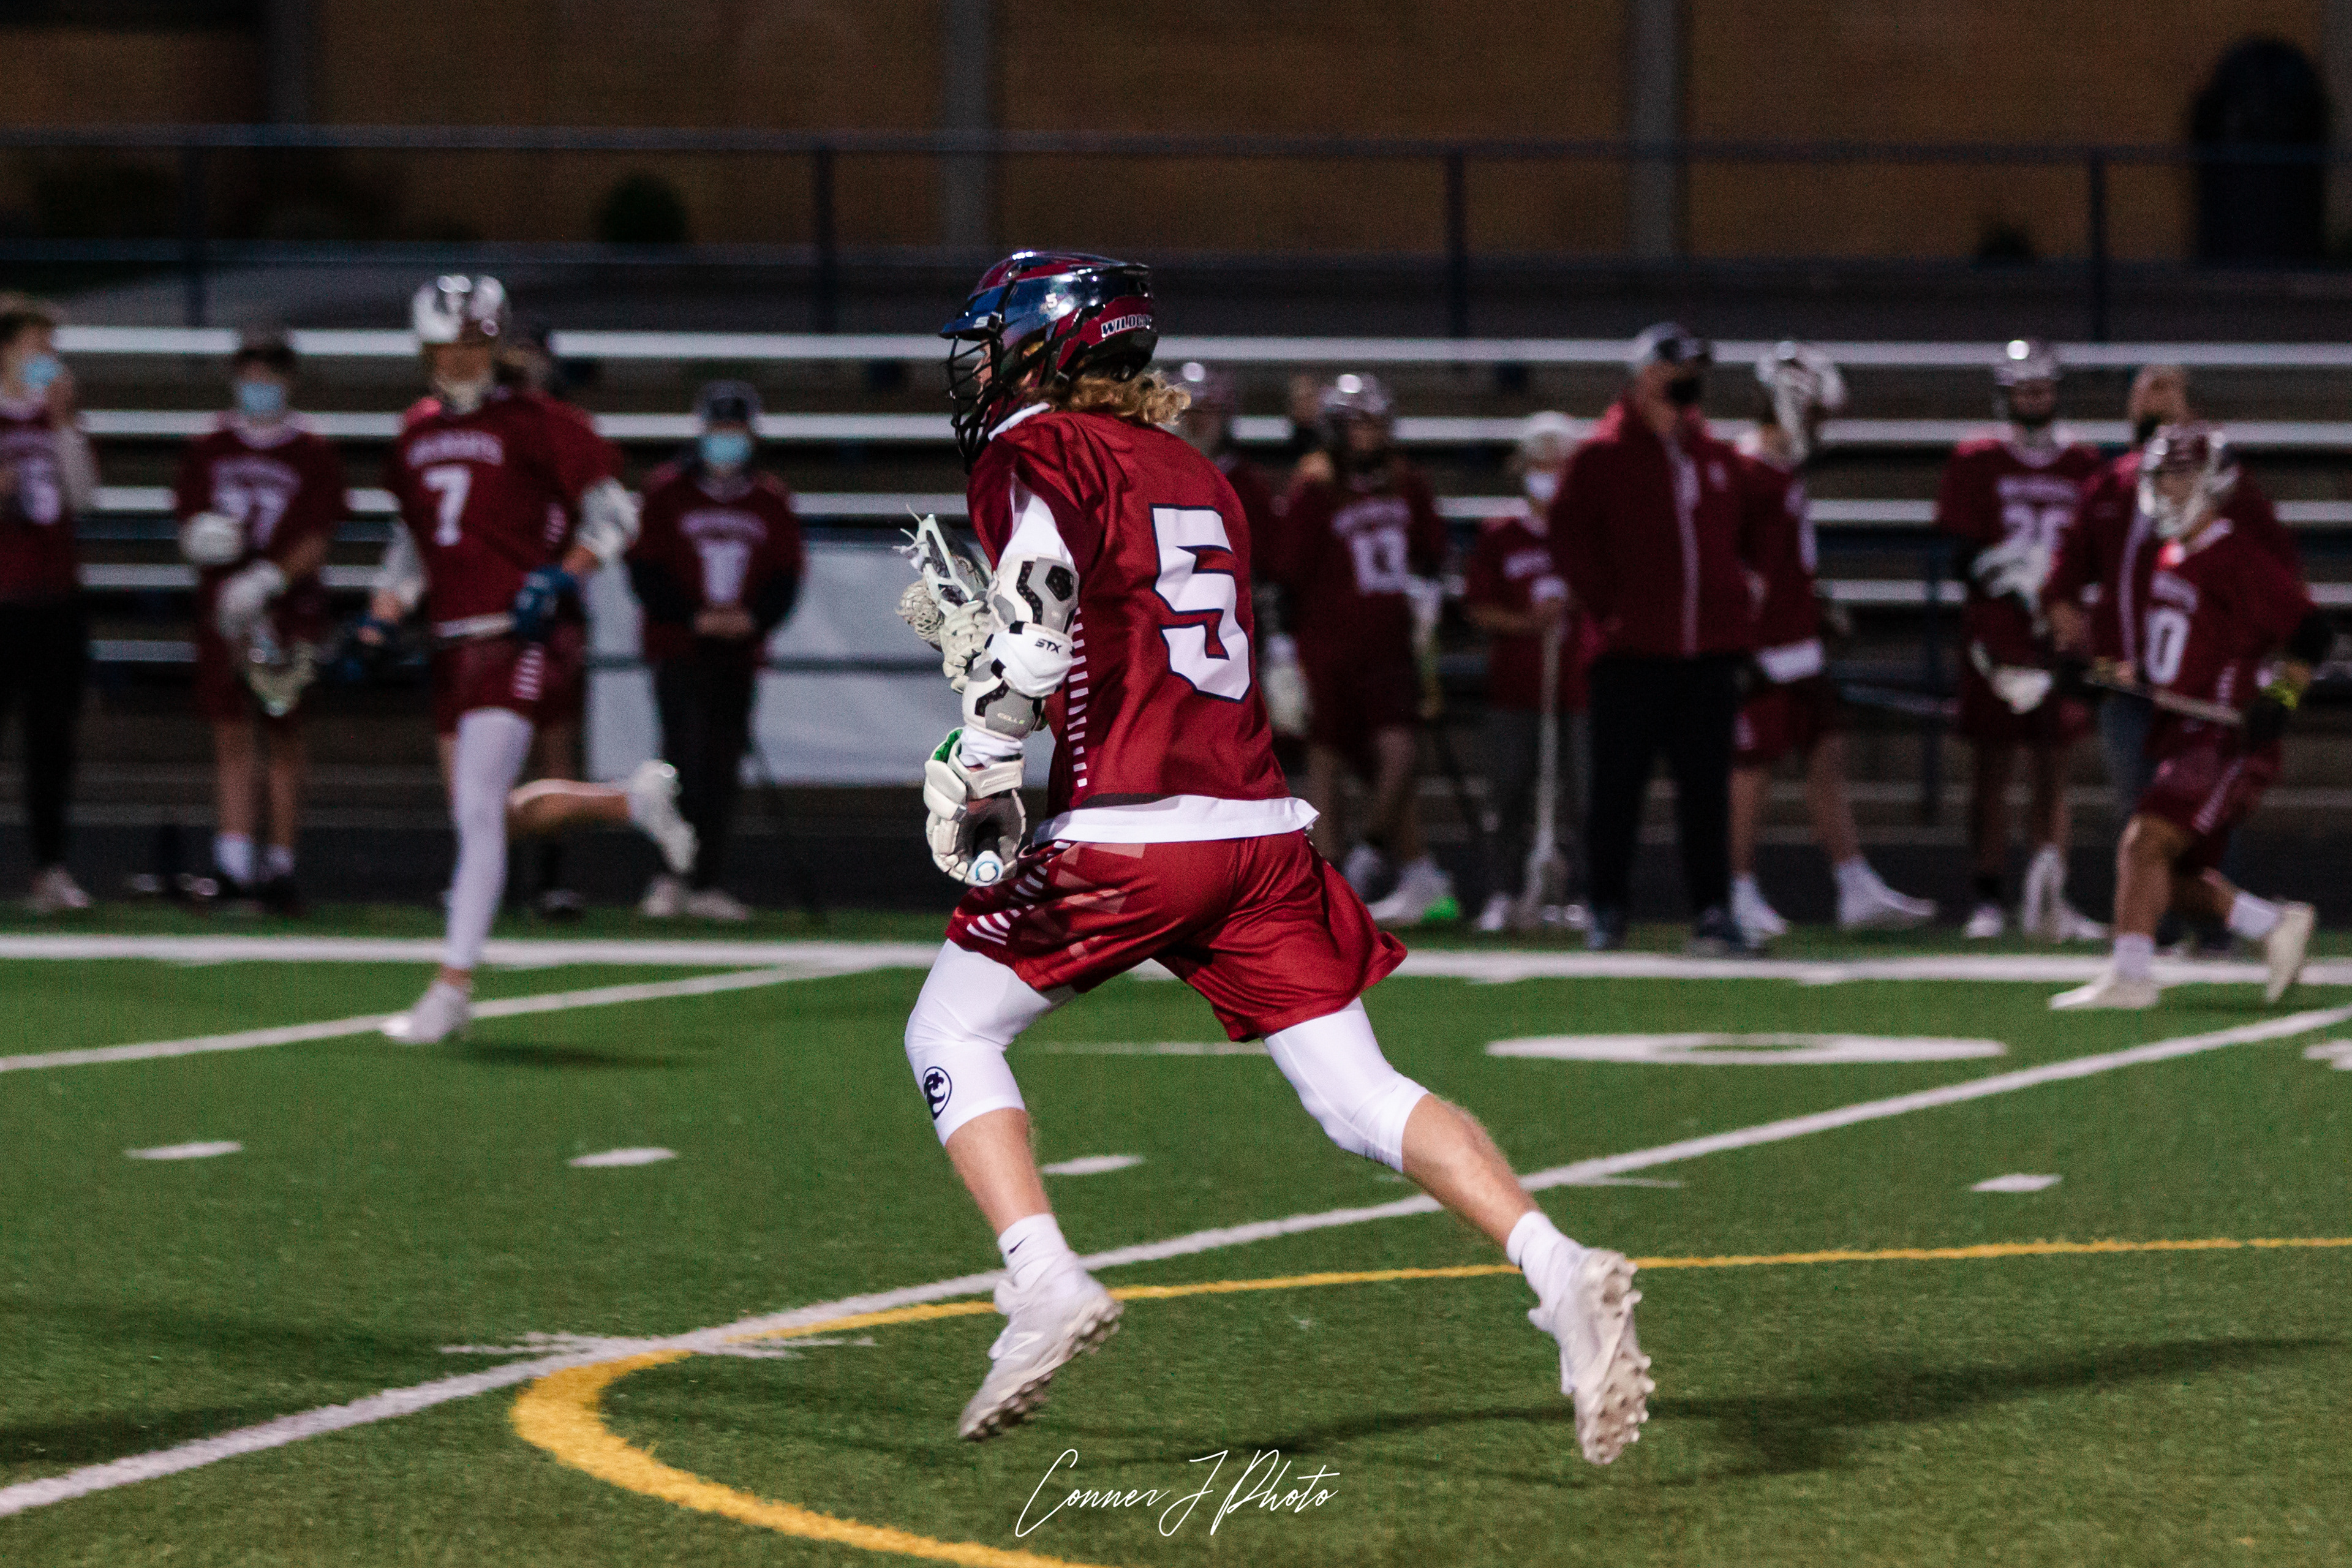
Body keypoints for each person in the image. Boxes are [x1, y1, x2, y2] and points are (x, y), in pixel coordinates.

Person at [902, 249, 1651, 1462]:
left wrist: (985, 756)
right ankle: (1559, 1268)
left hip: (1133, 827)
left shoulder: (1037, 448)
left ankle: (1042, 1278)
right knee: (1361, 1095)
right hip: (1255, 831)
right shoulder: (1196, 469)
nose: (979, 371)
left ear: (1046, 349)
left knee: (948, 1030)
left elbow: (1040, 614)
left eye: (993, 346)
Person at [365, 276, 693, 1044]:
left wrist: (563, 575)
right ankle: (629, 802)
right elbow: (413, 541)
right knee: (479, 816)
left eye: (473, 345)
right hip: (453, 638)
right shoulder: (414, 431)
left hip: (517, 631)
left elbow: (615, 514)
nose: (460, 360)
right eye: (447, 346)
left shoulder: (541, 422)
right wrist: (383, 614)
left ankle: (451, 986)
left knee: (479, 813)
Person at [2051, 423, 2326, 1009]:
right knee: (2167, 877)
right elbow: (2161, 667)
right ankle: (2272, 925)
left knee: (2142, 842)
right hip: (2179, 729)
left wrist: (2280, 701)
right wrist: (2093, 674)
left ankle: (2131, 977)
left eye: (2182, 475)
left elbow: (2312, 632)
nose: (2169, 488)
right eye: (2163, 476)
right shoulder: (2171, 554)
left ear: (2212, 482)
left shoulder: (2235, 555)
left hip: (2220, 735)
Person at [1550, 323, 1759, 955]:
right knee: (1616, 789)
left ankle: (1713, 909)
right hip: (1631, 654)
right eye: (1678, 370)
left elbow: (1742, 535)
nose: (1690, 383)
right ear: (1646, 376)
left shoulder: (1714, 454)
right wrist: (1610, 611)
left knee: (1706, 792)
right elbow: (1569, 539)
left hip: (1707, 654)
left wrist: (1736, 602)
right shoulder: (1602, 455)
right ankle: (1606, 905)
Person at [1730, 344, 1934, 936]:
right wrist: (1743, 641)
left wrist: (1814, 603)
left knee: (1827, 754)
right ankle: (1735, 885)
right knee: (1751, 769)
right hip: (1765, 648)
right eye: (1817, 411)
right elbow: (1734, 564)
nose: (1821, 424)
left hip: (1798, 643)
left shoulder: (1780, 467)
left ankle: (1853, 883)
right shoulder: (1746, 470)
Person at [1263, 373, 1456, 924]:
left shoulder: (1406, 481)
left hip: (1391, 643)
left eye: (1375, 423)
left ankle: (1369, 854)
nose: (1368, 435)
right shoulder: (1316, 486)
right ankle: (1339, 877)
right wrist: (1284, 645)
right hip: (1328, 645)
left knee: (1397, 752)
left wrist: (1427, 595)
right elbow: (1288, 570)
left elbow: (1432, 552)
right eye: (1357, 424)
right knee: (1327, 757)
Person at [1934, 339, 2105, 943]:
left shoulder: (2084, 462)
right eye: (2024, 390)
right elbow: (1959, 555)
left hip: (2056, 632)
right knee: (1992, 765)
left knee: (2055, 766)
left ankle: (2050, 894)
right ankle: (1987, 895)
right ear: (2005, 395)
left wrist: (2060, 593)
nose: (2034, 399)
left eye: (2042, 388)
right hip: (1997, 633)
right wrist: (2003, 570)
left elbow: (2098, 549)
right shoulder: (1977, 459)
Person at [172, 334, 349, 912]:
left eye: (270, 378)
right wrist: (202, 543)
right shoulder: (209, 444)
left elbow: (318, 536)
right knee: (229, 734)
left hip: (288, 612)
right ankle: (232, 862)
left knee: (284, 734)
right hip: (224, 609)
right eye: (250, 377)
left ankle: (280, 866)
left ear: (289, 381)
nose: (259, 388)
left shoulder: (313, 450)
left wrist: (269, 580)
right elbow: (189, 520)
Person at [626, 381, 805, 920]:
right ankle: (670, 875)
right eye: (719, 428)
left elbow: (785, 576)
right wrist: (692, 616)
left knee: (722, 766)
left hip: (738, 654)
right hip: (679, 649)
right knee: (679, 763)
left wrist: (752, 620)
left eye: (736, 429)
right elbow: (645, 570)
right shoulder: (667, 491)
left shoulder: (769, 499)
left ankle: (705, 880)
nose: (727, 440)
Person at [1462, 411, 1591, 932]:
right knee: (1509, 793)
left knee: (1585, 797)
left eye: (1558, 464)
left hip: (1579, 685)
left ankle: (1583, 895)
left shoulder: (1587, 533)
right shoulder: (1502, 533)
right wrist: (1528, 622)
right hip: (1515, 686)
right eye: (1541, 462)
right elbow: (1478, 607)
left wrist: (1573, 603)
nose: (1549, 474)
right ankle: (1504, 892)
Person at [0, 296, 97, 913]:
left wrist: (62, 426)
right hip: (2, 597)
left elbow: (84, 497)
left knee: (52, 745)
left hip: (55, 597)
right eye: (37, 344)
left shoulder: (60, 416)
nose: (47, 357)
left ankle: (50, 867)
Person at [1172, 360, 1310, 749]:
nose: (1197, 421)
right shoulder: (1149, 471)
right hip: (1167, 620)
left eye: (1207, 410)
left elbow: (1272, 564)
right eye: (1188, 411)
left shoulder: (1245, 482)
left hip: (1229, 627)